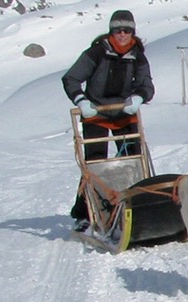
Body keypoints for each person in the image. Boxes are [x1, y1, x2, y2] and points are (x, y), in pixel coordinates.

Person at [61, 10, 155, 232]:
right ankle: (84, 213)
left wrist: (140, 96)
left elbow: (147, 84)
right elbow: (71, 78)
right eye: (118, 30)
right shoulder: (97, 52)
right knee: (95, 165)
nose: (122, 34)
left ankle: (135, 207)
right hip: (96, 114)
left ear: (133, 31)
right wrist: (81, 101)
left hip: (124, 114)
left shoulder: (137, 55)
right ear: (111, 31)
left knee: (132, 161)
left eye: (127, 30)